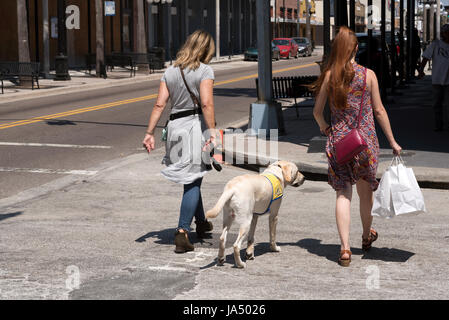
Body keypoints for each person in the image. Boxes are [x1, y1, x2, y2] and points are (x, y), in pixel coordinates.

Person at [312, 27, 402, 267]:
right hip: (365, 143)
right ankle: (365, 236)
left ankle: (344, 248)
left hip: (339, 143)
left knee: (343, 193)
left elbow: (317, 112)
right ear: (354, 48)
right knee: (365, 193)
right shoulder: (368, 75)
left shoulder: (330, 75)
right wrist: (392, 141)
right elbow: (379, 110)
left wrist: (326, 129)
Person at [142, 30, 218, 253]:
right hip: (193, 126)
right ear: (206, 50)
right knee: (193, 179)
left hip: (174, 128)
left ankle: (202, 223)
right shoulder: (205, 70)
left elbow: (159, 105)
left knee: (191, 178)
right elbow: (206, 104)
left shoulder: (170, 71)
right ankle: (183, 231)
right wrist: (213, 132)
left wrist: (149, 133)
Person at [418, 24, 449, 132]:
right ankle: (438, 125)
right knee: (437, 104)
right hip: (437, 79)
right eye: (445, 32)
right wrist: (421, 70)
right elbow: (426, 57)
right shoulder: (436, 44)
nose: (447, 34)